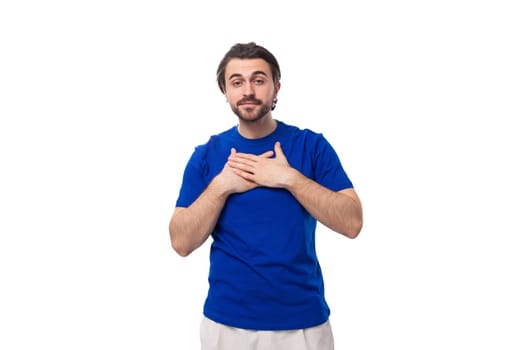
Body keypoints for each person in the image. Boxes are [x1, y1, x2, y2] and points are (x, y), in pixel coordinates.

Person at [169, 42, 363, 350]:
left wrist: (288, 178)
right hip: (226, 325)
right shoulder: (206, 156)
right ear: (225, 91)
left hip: (303, 325)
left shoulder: (311, 147)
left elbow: (352, 222)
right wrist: (221, 186)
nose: (248, 90)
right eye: (237, 82)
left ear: (276, 88)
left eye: (259, 80)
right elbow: (181, 242)